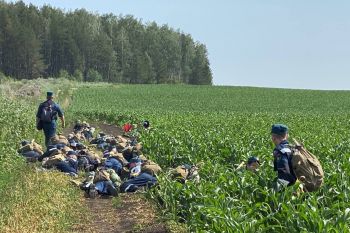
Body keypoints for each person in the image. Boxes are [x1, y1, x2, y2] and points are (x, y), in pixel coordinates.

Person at [271, 124, 297, 191]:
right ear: (286, 135)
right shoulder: (293, 148)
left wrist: (278, 191)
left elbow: (285, 173)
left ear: (273, 137)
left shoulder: (280, 151)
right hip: (301, 185)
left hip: (292, 188)